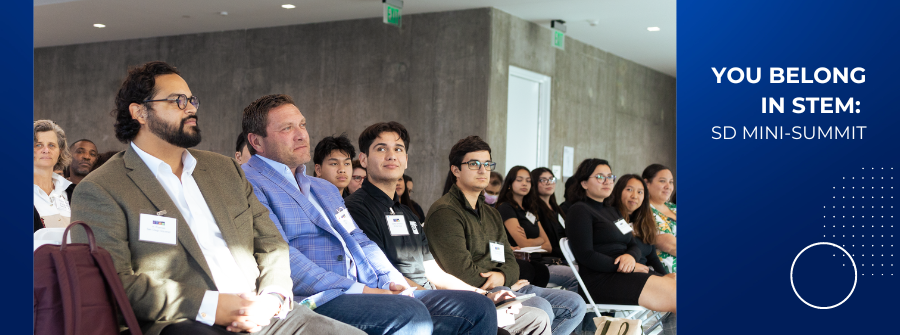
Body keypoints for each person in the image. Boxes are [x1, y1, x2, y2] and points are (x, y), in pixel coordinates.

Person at [70, 61, 361, 335]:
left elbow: (271, 243)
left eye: (192, 100)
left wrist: (272, 296)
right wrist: (211, 306)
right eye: (177, 101)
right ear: (140, 112)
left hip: (265, 314)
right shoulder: (102, 188)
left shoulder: (225, 170)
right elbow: (114, 282)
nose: (190, 109)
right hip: (185, 321)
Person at [242, 95, 499, 335]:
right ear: (256, 142)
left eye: (302, 125)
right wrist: (364, 290)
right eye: (287, 129)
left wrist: (394, 284)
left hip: (368, 289)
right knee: (409, 313)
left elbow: (361, 241)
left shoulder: (323, 188)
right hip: (318, 297)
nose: (302, 136)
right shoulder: (247, 183)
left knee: (477, 307)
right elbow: (279, 254)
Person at [345, 122, 550, 335]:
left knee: (536, 316)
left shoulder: (406, 213)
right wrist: (460, 298)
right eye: (381, 148)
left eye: (398, 149)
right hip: (405, 300)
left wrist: (481, 293)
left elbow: (434, 271)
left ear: (406, 160)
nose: (391, 155)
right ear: (363, 159)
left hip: (433, 297)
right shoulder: (357, 208)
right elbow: (382, 273)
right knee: (504, 316)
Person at [425, 135, 586, 335]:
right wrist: (503, 282)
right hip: (475, 292)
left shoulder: (491, 213)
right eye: (474, 164)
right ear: (456, 170)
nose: (483, 170)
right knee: (539, 307)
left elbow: (510, 260)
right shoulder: (446, 212)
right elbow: (461, 272)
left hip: (504, 285)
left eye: (487, 164)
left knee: (575, 304)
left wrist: (502, 276)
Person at [565, 159, 676, 313]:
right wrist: (624, 267)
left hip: (624, 274)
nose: (606, 181)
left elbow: (633, 244)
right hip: (601, 281)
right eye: (599, 177)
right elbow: (586, 255)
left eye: (610, 177)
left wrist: (630, 257)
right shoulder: (579, 210)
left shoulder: (612, 211)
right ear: (584, 183)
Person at [496, 166, 578, 292]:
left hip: (538, 262)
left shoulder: (529, 210)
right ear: (509, 183)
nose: (524, 183)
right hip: (523, 263)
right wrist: (539, 240)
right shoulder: (506, 208)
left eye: (528, 181)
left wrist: (533, 241)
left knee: (581, 273)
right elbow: (523, 244)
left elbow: (548, 246)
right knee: (577, 276)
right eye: (519, 180)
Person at [606, 174, 668, 276]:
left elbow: (653, 258)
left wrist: (666, 277)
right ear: (618, 191)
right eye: (629, 190)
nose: (634, 196)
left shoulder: (644, 222)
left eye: (640, 192)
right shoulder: (610, 218)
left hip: (645, 275)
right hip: (624, 275)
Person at [34, 119, 73, 232]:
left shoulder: (73, 191)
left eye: (51, 145)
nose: (46, 150)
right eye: (38, 145)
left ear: (59, 151)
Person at [642, 164, 677, 273]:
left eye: (671, 182)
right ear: (646, 183)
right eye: (662, 181)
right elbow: (672, 246)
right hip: (667, 272)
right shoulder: (645, 211)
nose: (668, 186)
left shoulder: (674, 207)